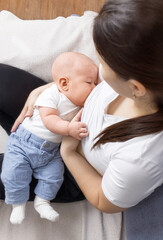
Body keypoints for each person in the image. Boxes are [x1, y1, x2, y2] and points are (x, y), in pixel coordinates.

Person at [1, 0, 163, 219]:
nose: (98, 62)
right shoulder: (160, 71)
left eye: (103, 59)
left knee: (10, 174)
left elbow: (104, 200)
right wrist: (49, 90)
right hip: (66, 107)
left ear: (136, 87)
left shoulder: (140, 160)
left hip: (70, 168)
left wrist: (68, 152)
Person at [1, 52, 98, 224]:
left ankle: (42, 202)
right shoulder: (54, 95)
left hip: (58, 156)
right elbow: (49, 119)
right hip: (25, 141)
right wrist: (40, 91)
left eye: (96, 83)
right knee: (14, 172)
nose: (95, 87)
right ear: (64, 83)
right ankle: (17, 204)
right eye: (90, 83)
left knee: (49, 177)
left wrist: (68, 150)